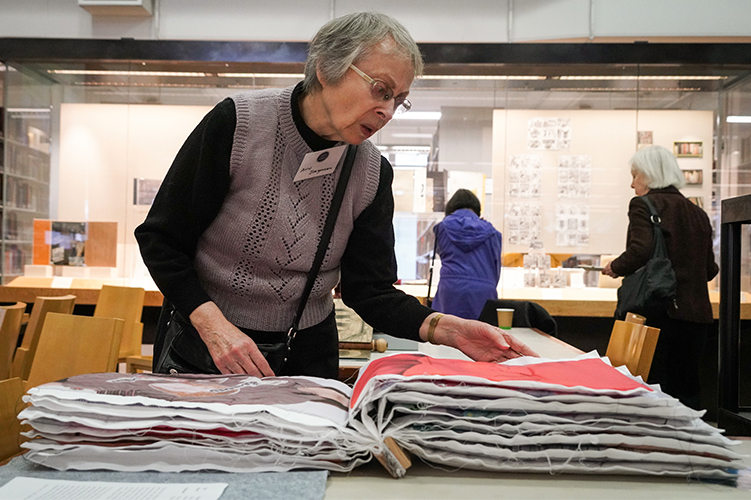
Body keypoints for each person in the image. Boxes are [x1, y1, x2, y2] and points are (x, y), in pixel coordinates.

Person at [135, 12, 537, 380]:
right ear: (327, 68)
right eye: (381, 90)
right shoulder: (238, 125)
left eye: (398, 100)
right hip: (204, 347)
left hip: (306, 355)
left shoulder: (371, 171)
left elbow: (371, 290)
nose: (388, 111)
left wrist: (448, 329)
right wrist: (213, 324)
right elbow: (162, 239)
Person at [602, 145, 717, 409]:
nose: (632, 184)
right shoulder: (697, 212)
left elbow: (640, 250)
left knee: (650, 390)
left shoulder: (644, 205)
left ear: (650, 175)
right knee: (687, 391)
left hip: (659, 312)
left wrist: (615, 267)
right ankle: (694, 446)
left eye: (635, 176)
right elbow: (710, 270)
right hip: (696, 317)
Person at [431, 189, 502, 320]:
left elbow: (440, 253)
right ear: (477, 209)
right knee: (482, 336)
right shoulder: (493, 233)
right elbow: (496, 268)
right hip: (483, 291)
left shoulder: (442, 228)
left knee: (447, 334)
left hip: (450, 290)